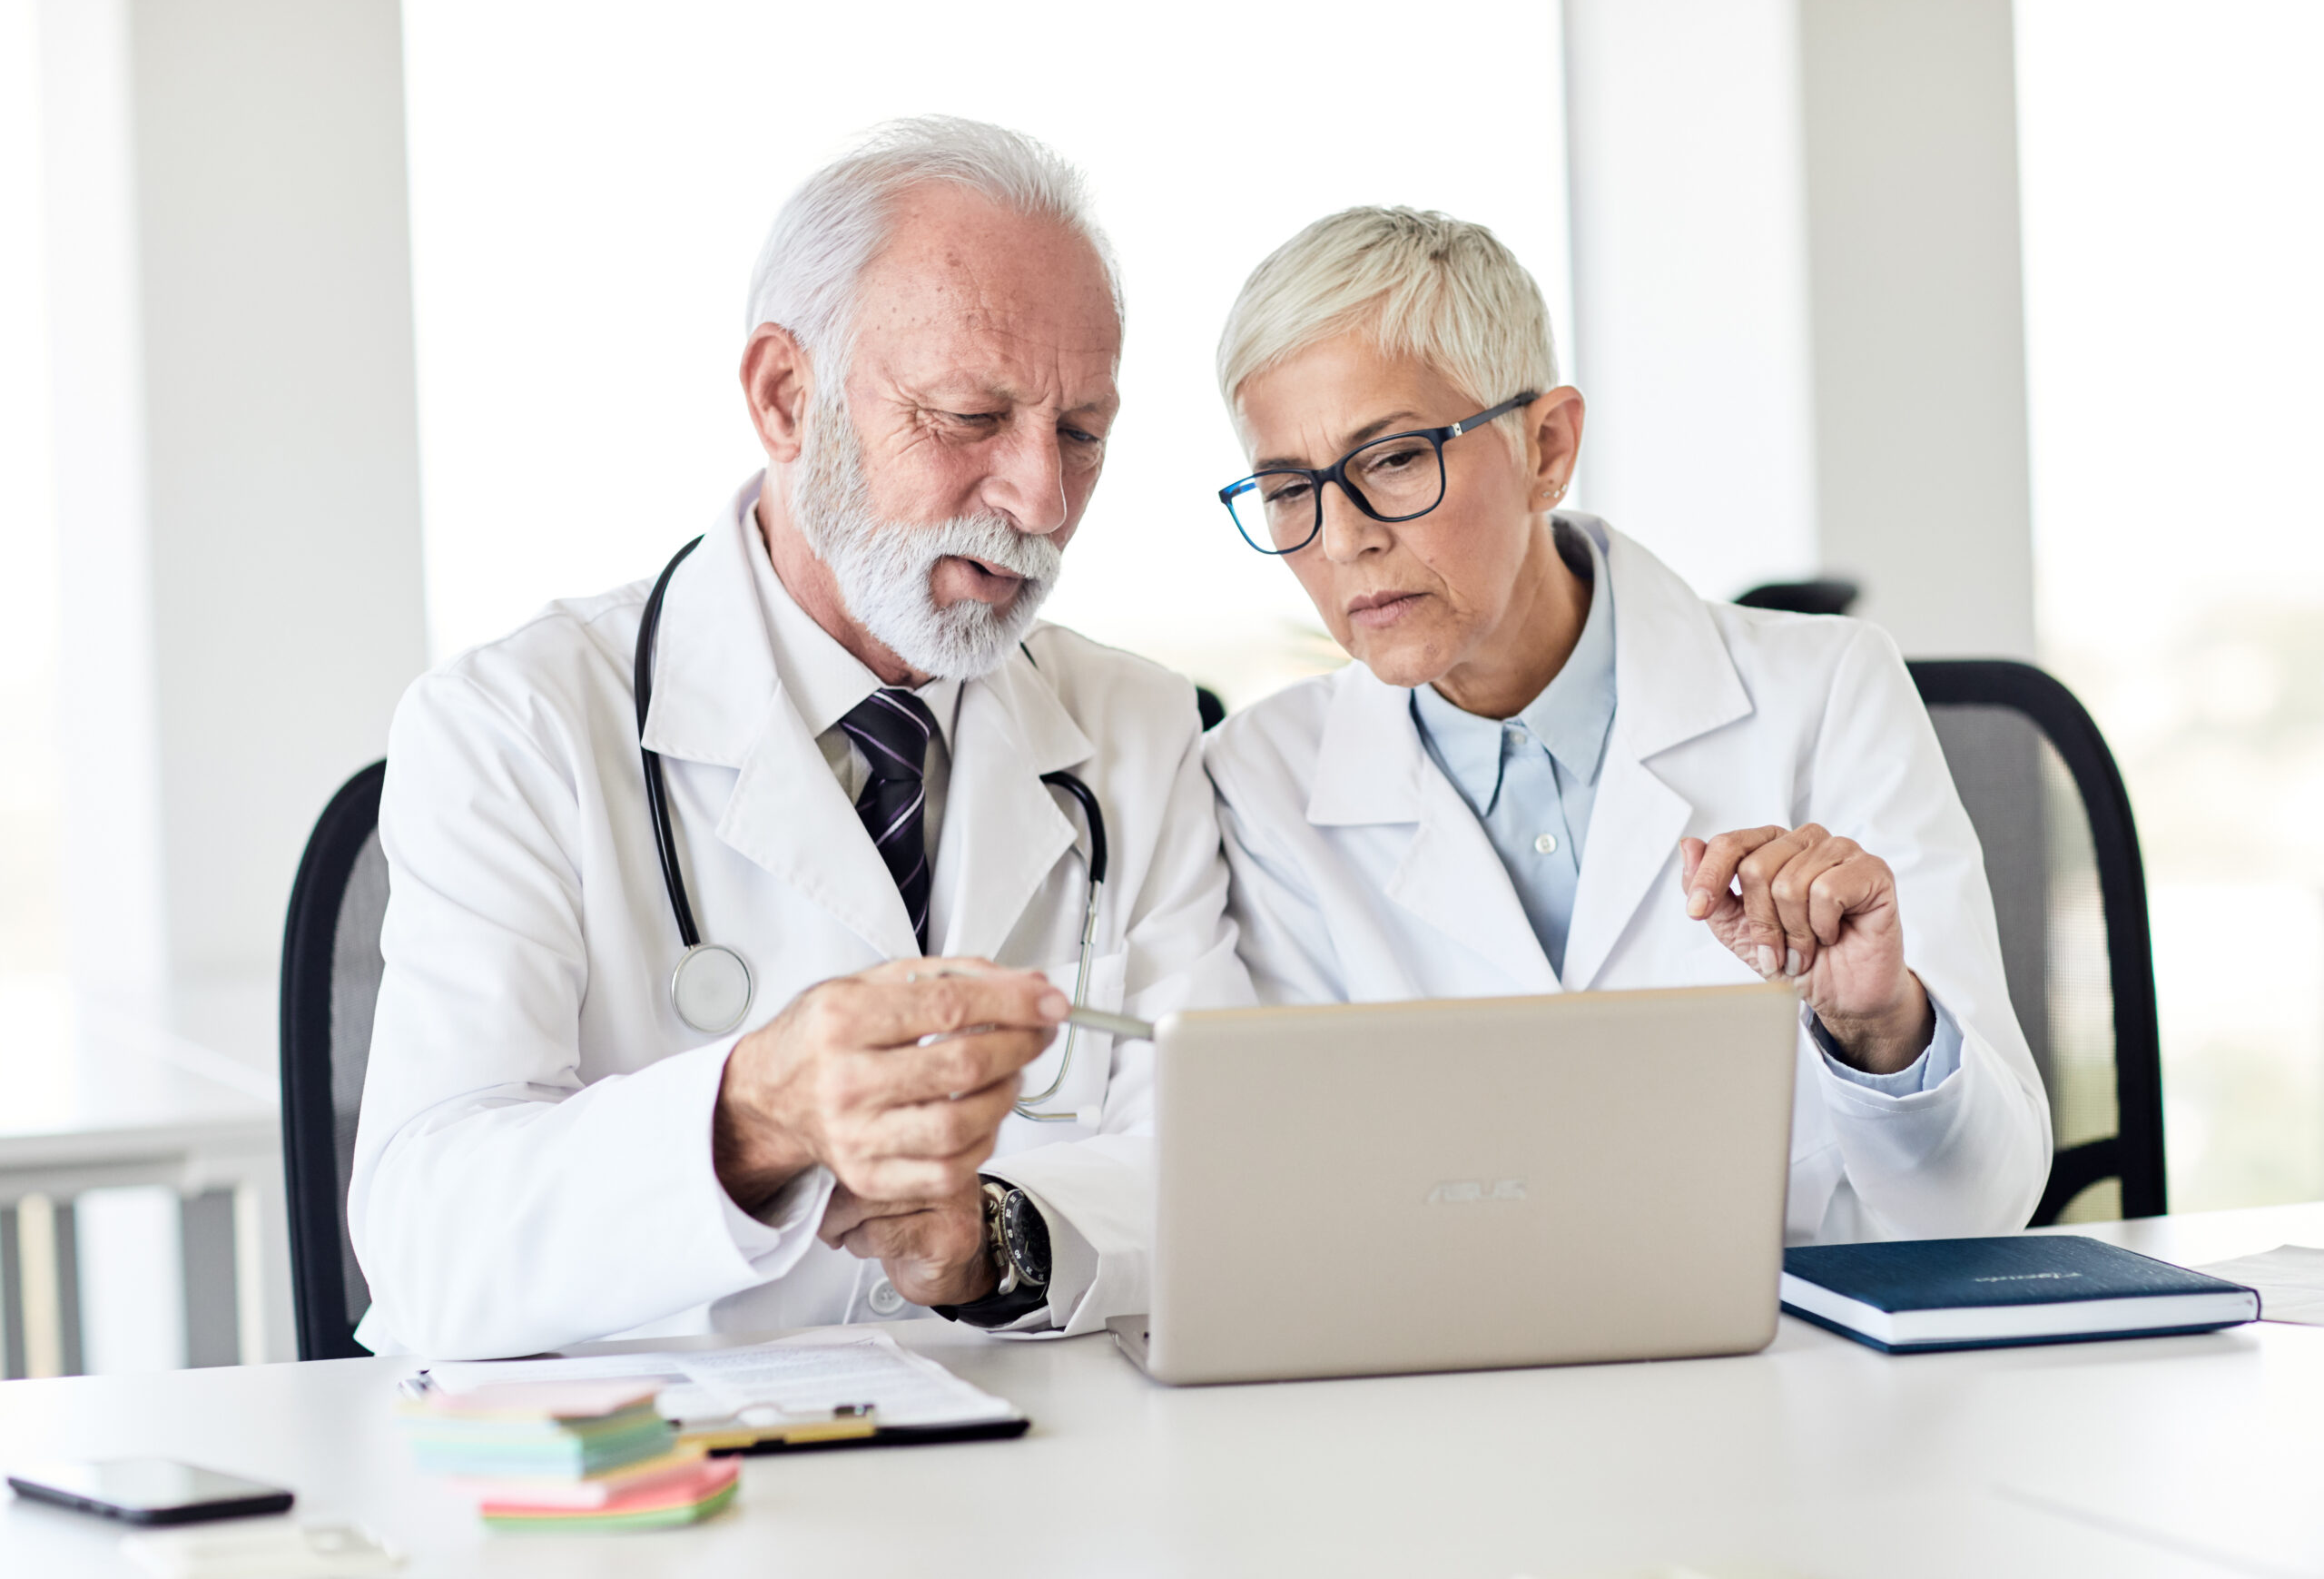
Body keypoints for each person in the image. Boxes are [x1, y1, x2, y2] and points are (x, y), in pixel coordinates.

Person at [350, 118, 1251, 1359]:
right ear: (786, 395)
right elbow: (425, 1234)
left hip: (1038, 1480)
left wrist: (998, 1235)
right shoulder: (514, 728)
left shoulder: (1136, 730)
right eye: (969, 414)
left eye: (1082, 431)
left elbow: (1222, 1172)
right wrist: (748, 1116)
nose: (1041, 497)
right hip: (659, 1498)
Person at [1201, 207, 2048, 1242]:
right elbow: (1306, 1214)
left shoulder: (1826, 692)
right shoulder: (1260, 780)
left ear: (1546, 446)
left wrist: (1877, 1023)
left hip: (1800, 1374)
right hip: (1451, 1383)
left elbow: (1979, 1208)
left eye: (1393, 460)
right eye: (1290, 488)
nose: (1341, 540)